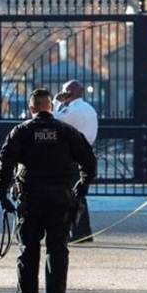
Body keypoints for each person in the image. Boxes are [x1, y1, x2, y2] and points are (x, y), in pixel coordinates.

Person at [0, 88, 97, 293]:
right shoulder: (66, 131)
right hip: (60, 200)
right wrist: (81, 188)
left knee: (28, 253)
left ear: (32, 108)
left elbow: (5, 163)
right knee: (57, 253)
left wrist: (1, 194)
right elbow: (89, 162)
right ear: (50, 106)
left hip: (30, 200)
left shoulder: (21, 131)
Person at [55, 79, 99, 242]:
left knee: (70, 194)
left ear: (69, 93)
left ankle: (78, 231)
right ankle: (83, 231)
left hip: (73, 156)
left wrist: (55, 102)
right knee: (79, 194)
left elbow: (52, 120)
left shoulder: (72, 111)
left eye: (64, 90)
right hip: (86, 153)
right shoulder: (89, 108)